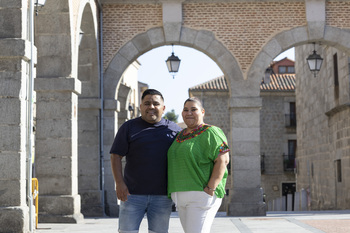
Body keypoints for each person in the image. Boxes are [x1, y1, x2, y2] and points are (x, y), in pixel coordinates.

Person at [110, 89, 182, 233]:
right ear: (141, 106)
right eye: (147, 103)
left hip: (162, 196)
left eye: (156, 103)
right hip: (131, 194)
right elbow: (115, 155)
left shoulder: (175, 130)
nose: (151, 107)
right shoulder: (128, 127)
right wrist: (119, 183)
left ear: (163, 108)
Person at [167, 97, 230, 233]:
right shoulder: (180, 135)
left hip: (201, 196)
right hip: (180, 196)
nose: (189, 113)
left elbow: (223, 160)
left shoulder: (211, 132)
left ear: (202, 112)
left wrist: (211, 187)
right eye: (185, 110)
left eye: (193, 109)